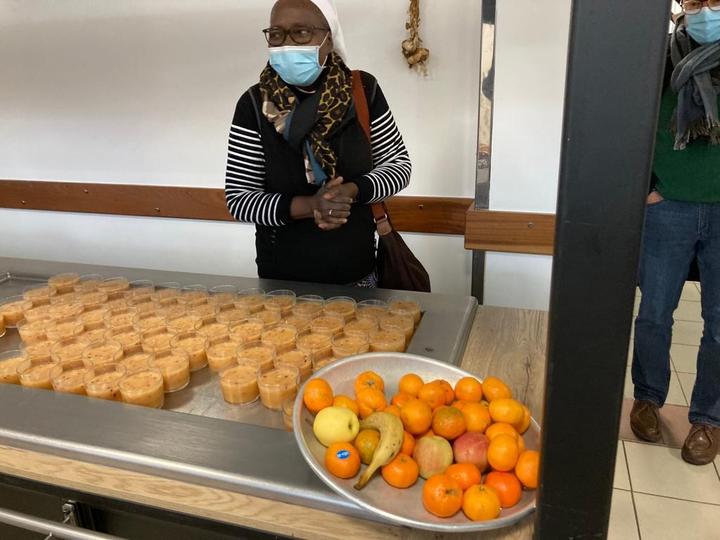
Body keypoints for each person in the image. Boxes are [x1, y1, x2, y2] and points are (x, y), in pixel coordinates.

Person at [224, 0, 411, 287]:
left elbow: (399, 167)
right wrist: (311, 205)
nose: (286, 44)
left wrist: (352, 191)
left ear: (329, 39)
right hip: (281, 284)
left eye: (301, 33)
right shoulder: (253, 104)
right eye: (276, 34)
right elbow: (240, 200)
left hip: (358, 274)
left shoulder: (363, 91)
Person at [631, 0, 720, 465]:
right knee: (654, 312)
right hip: (668, 207)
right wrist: (647, 186)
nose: (705, 11)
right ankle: (647, 398)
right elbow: (634, 124)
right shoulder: (659, 57)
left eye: (715, 1)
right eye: (695, 2)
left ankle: (708, 419)